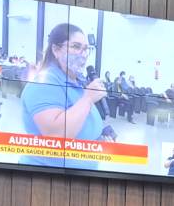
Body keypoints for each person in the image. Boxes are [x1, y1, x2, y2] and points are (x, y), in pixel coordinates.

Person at [20, 23, 110, 168]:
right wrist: (88, 98)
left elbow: (79, 118)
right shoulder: (43, 84)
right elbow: (56, 135)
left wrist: (97, 137)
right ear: (56, 49)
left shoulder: (76, 80)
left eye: (86, 49)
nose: (83, 54)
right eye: (76, 47)